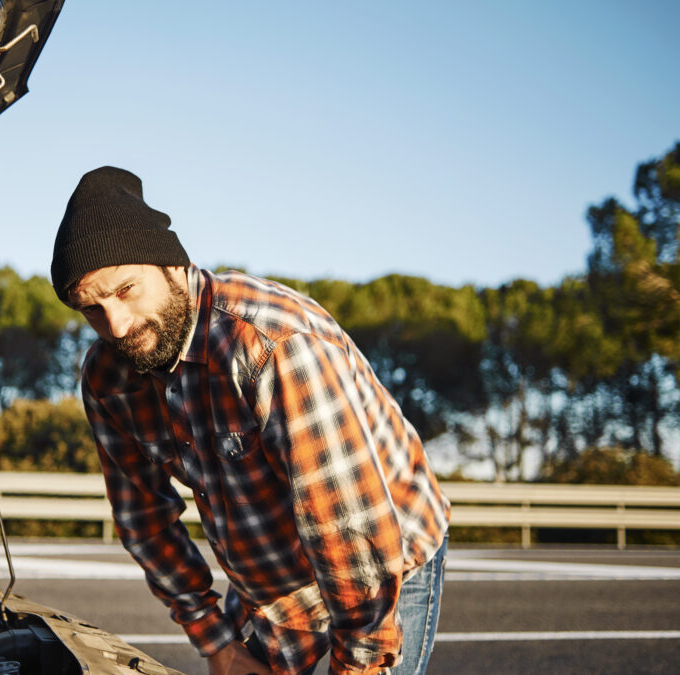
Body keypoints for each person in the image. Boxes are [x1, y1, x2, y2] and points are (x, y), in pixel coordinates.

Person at [50, 166, 450, 675]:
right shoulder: (109, 378)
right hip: (270, 581)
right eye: (92, 309)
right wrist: (215, 640)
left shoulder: (273, 345)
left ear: (174, 266)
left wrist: (360, 664)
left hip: (380, 560)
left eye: (127, 290)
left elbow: (347, 528)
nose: (117, 325)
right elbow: (144, 522)